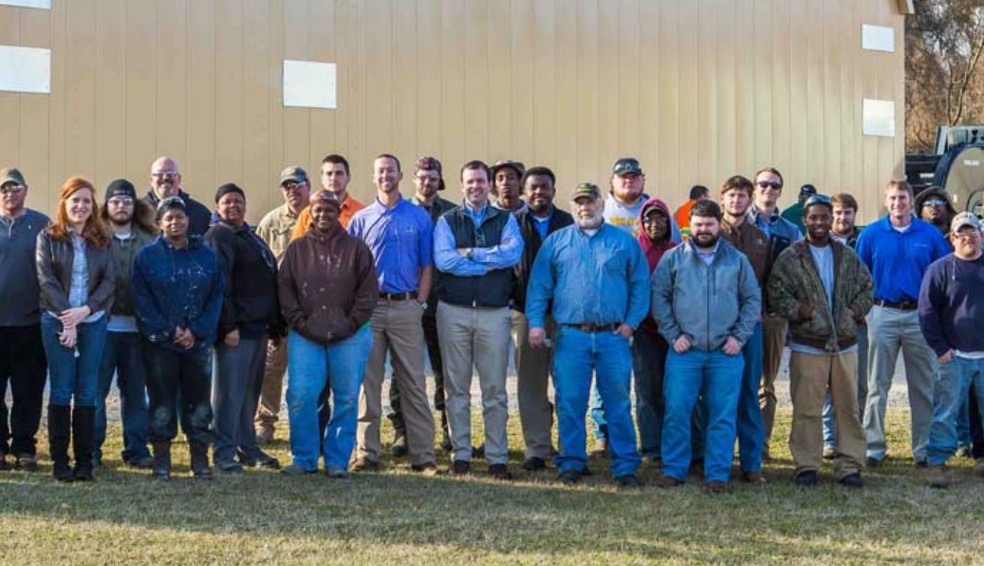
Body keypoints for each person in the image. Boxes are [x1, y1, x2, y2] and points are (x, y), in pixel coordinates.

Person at [526, 182, 649, 487]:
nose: (585, 208)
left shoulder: (624, 243)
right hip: (571, 336)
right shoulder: (557, 243)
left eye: (590, 202)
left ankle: (625, 467)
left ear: (600, 204)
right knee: (570, 401)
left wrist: (631, 322)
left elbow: (640, 285)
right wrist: (536, 323)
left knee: (617, 402)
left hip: (613, 336)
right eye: (579, 202)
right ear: (572, 206)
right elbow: (539, 287)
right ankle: (572, 462)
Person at [651, 200, 760, 493]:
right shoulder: (674, 259)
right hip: (685, 352)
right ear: (690, 226)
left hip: (725, 352)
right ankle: (674, 469)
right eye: (697, 224)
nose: (703, 230)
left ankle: (717, 473)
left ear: (717, 224)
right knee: (677, 410)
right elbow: (659, 297)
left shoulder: (737, 260)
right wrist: (673, 335)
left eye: (709, 224)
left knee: (722, 415)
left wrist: (739, 337)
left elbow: (752, 300)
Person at [767, 194, 873, 488]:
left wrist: (853, 312)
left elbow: (867, 287)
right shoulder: (792, 256)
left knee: (848, 407)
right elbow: (776, 292)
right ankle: (806, 465)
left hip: (846, 344)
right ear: (805, 220)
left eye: (824, 217)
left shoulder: (846, 255)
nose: (819, 222)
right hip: (808, 343)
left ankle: (849, 464)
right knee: (807, 407)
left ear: (831, 219)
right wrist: (802, 311)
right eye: (813, 217)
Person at [278, 191, 377, 479]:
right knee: (301, 395)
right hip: (306, 336)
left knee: (346, 397)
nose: (324, 216)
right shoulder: (296, 250)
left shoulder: (357, 249)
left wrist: (351, 324)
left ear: (339, 213)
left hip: (349, 335)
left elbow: (368, 293)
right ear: (310, 212)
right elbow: (285, 290)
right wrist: (300, 322)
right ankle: (304, 457)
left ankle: (336, 459)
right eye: (318, 210)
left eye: (330, 211)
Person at [349, 154, 437, 475]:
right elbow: (353, 269)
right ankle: (366, 453)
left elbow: (427, 265)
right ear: (373, 178)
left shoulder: (418, 217)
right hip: (371, 310)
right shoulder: (360, 220)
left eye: (391, 170)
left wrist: (420, 303)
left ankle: (423, 455)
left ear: (401, 175)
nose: (386, 175)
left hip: (406, 307)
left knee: (413, 381)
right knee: (368, 383)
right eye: (380, 171)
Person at [434, 160, 523, 479]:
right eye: (470, 181)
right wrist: (488, 262)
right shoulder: (447, 220)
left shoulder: (505, 219)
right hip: (453, 311)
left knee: (495, 389)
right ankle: (461, 455)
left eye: (481, 181)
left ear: (490, 185)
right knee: (456, 388)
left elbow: (512, 255)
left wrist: (470, 254)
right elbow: (444, 261)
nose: (476, 186)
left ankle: (497, 457)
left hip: (494, 312)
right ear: (461, 185)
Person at [856, 179, 950, 467]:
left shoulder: (930, 235)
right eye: (893, 198)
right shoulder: (871, 234)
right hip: (881, 313)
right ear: (886, 201)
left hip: (919, 316)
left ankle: (922, 449)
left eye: (903, 198)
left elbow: (944, 276)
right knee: (876, 384)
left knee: (923, 386)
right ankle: (873, 447)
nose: (898, 203)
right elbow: (859, 275)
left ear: (912, 202)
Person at [132, 196, 225, 480]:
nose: (175, 222)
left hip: (197, 343)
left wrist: (195, 331)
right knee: (161, 400)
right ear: (159, 223)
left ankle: (200, 457)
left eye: (180, 217)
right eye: (169, 218)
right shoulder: (146, 256)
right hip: (161, 343)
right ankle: (162, 458)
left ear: (188, 220)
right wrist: (170, 331)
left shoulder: (206, 254)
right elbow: (141, 299)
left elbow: (216, 295)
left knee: (199, 401)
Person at [594, 157, 680, 454]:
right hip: (623, 317)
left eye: (634, 176)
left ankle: (672, 444)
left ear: (643, 179)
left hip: (665, 326)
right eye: (622, 177)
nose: (628, 181)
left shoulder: (666, 225)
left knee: (668, 388)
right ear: (612, 181)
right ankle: (604, 434)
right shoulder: (601, 210)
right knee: (613, 380)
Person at [36, 176, 115, 482]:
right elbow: (46, 280)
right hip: (56, 323)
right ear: (64, 203)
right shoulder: (48, 237)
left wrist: (86, 311)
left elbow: (109, 281)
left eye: (86, 201)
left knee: (86, 392)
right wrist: (68, 319)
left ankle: (84, 462)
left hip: (93, 322)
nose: (80, 206)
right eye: (75, 200)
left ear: (92, 206)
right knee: (61, 388)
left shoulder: (101, 239)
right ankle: (60, 461)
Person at [205, 183, 282, 473]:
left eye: (239, 200)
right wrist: (228, 325)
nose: (233, 205)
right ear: (217, 206)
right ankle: (224, 451)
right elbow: (219, 285)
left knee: (249, 392)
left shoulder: (248, 235)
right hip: (235, 331)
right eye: (227, 201)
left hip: (257, 328)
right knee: (228, 393)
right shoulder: (219, 236)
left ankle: (246, 446)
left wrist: (273, 325)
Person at [387, 157, 455, 454]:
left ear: (440, 180)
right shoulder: (402, 211)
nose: (427, 182)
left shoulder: (452, 212)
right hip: (408, 299)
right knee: (403, 368)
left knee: (446, 369)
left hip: (443, 301)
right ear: (412, 179)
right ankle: (401, 430)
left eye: (432, 177)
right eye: (422, 177)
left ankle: (448, 427)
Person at [512, 166, 573, 471]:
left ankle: (569, 448)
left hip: (565, 315)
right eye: (533, 187)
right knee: (531, 384)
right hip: (526, 314)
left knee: (567, 382)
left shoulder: (568, 223)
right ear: (524, 192)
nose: (539, 192)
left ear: (553, 190)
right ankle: (536, 448)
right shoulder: (513, 224)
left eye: (544, 187)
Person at [93, 179, 157, 469]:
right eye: (116, 201)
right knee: (95, 391)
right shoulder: (94, 237)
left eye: (127, 201)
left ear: (135, 205)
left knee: (135, 392)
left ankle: (136, 448)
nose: (121, 206)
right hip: (101, 327)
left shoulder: (149, 238)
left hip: (136, 329)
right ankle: (91, 447)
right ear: (106, 205)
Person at [919, 212, 984, 487]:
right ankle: (936, 462)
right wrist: (941, 348)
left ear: (981, 235)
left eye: (973, 232)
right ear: (953, 238)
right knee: (945, 411)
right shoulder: (939, 269)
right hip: (953, 357)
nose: (968, 238)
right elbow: (926, 312)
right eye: (961, 234)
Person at [717, 175, 771, 484]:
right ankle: (715, 461)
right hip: (716, 327)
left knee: (749, 393)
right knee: (717, 396)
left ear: (749, 201)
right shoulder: (709, 232)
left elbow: (765, 283)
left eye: (742, 196)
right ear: (722, 198)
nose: (736, 201)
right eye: (732, 195)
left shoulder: (760, 238)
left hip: (751, 327)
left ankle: (751, 464)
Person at [254, 166, 311, 444]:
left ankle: (309, 425)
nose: (292, 190)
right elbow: (261, 267)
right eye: (287, 186)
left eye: (297, 185)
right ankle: (264, 422)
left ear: (308, 186)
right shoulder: (270, 222)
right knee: (271, 368)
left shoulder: (320, 215)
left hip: (312, 309)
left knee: (310, 372)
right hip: (281, 310)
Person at [749, 166, 802, 458]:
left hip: (772, 315)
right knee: (731, 380)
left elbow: (796, 272)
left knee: (765, 384)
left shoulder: (790, 230)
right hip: (738, 315)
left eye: (774, 186)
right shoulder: (738, 223)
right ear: (754, 188)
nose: (768, 190)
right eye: (763, 184)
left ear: (780, 191)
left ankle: (761, 445)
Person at [0, 167, 49, 472]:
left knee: (27, 391)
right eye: (4, 189)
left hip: (30, 324)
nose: (9, 193)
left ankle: (24, 447)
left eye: (15, 188)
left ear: (26, 190)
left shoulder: (42, 225)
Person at [629, 197, 675, 467]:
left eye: (660, 218)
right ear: (641, 223)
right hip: (644, 331)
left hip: (673, 333)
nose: (655, 224)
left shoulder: (677, 250)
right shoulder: (635, 251)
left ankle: (679, 445)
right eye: (649, 219)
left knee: (676, 392)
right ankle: (651, 448)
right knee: (647, 391)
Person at [821, 193, 867, 459]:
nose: (842, 217)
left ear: (854, 214)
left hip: (854, 324)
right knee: (827, 385)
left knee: (857, 383)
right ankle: (829, 439)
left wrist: (858, 309)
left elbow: (868, 280)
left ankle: (852, 437)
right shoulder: (816, 243)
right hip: (823, 326)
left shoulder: (864, 240)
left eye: (847, 212)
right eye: (837, 212)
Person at [291, 154, 366, 240]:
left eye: (339, 173)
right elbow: (296, 249)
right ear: (322, 178)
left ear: (348, 177)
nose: (333, 178)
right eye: (329, 173)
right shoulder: (307, 214)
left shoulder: (361, 213)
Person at [143, 156, 211, 236]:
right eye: (159, 174)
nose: (165, 178)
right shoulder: (139, 211)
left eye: (170, 174)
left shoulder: (200, 213)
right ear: (151, 180)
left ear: (179, 179)